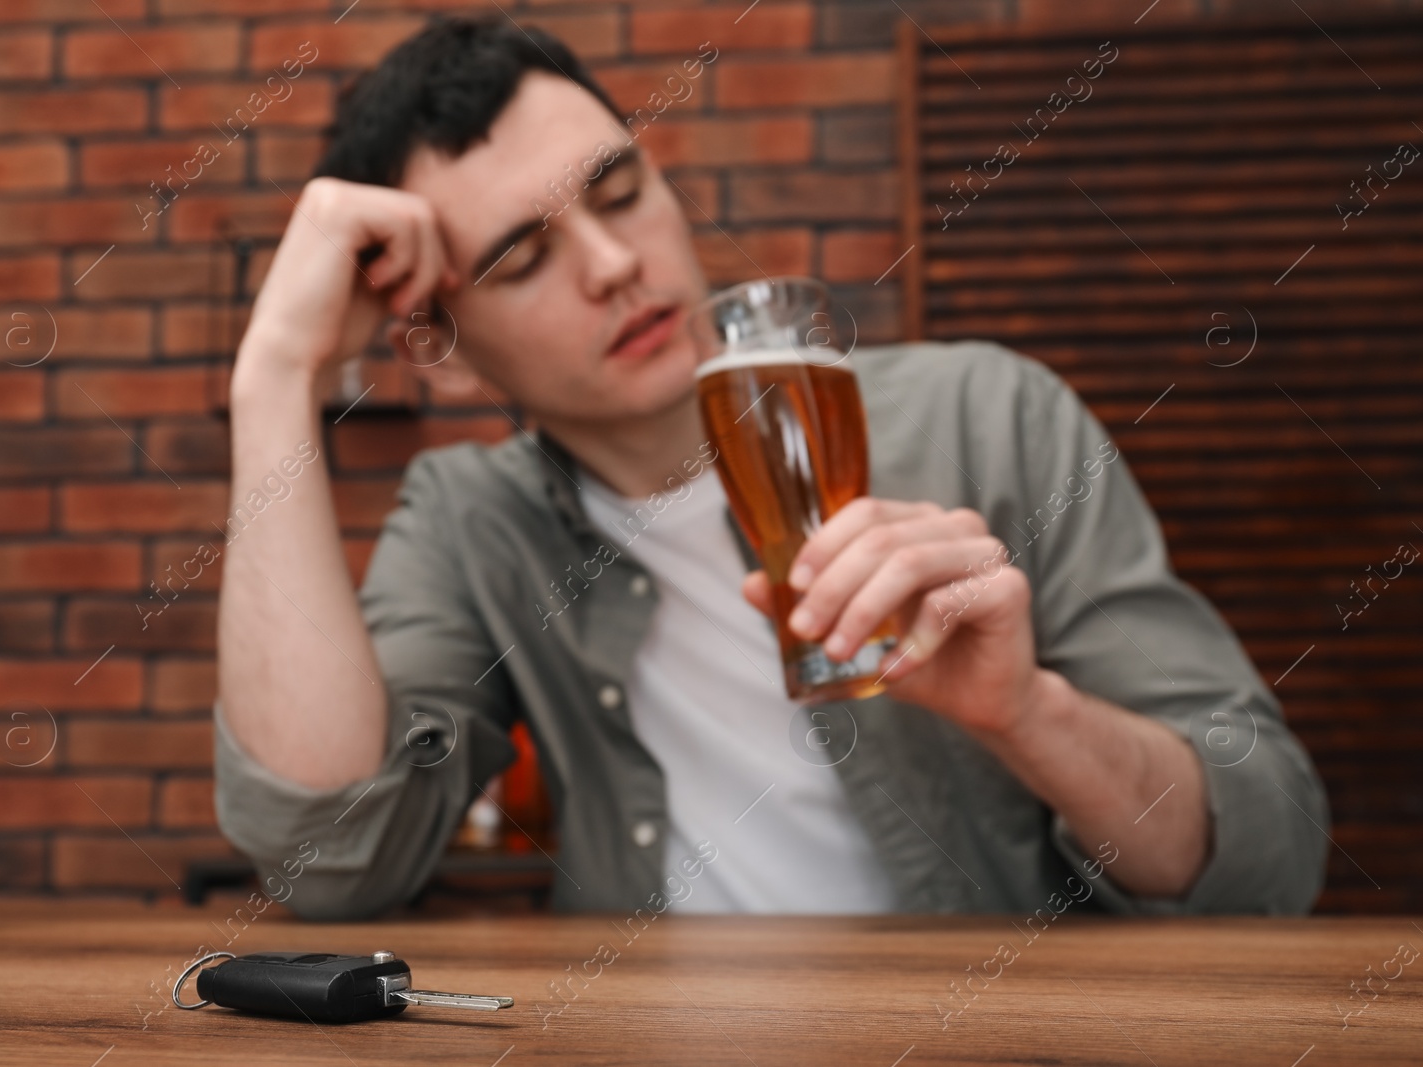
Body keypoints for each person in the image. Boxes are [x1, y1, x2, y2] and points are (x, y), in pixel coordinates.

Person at [214, 16, 1328, 919]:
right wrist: (274, 375)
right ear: (441, 357)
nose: (612, 265)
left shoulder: (990, 413)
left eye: (618, 194)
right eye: (524, 258)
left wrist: (1030, 712)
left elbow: (1265, 856)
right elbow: (328, 857)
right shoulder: (473, 522)